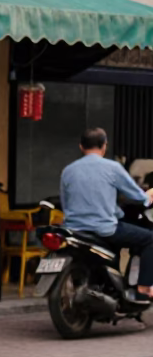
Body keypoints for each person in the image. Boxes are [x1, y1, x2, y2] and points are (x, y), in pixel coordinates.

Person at [60, 128, 153, 300]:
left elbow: (66, 203)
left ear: (81, 147)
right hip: (104, 229)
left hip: (73, 229)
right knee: (149, 238)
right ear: (104, 146)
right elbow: (136, 195)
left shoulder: (68, 170)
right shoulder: (112, 168)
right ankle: (144, 287)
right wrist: (147, 198)